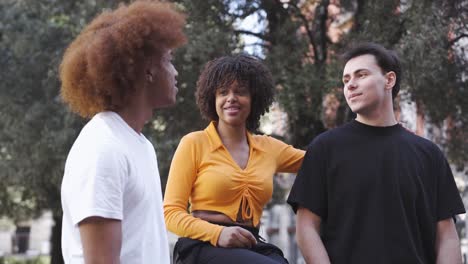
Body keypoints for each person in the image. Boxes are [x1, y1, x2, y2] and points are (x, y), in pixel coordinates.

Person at [287, 42, 466, 264]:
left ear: (389, 80)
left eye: (361, 75)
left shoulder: (429, 154)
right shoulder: (324, 149)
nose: (350, 85)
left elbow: (447, 237)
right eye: (346, 80)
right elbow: (306, 228)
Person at [59, 1, 186, 263]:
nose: (175, 72)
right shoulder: (102, 147)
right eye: (169, 60)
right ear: (149, 69)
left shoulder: (140, 145)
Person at [163, 54, 305, 263]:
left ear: (254, 99)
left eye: (240, 92)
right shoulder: (194, 143)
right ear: (213, 99)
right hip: (204, 245)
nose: (231, 98)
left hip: (251, 245)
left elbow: (320, 161)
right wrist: (218, 234)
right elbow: (171, 213)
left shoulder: (269, 148)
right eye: (223, 92)